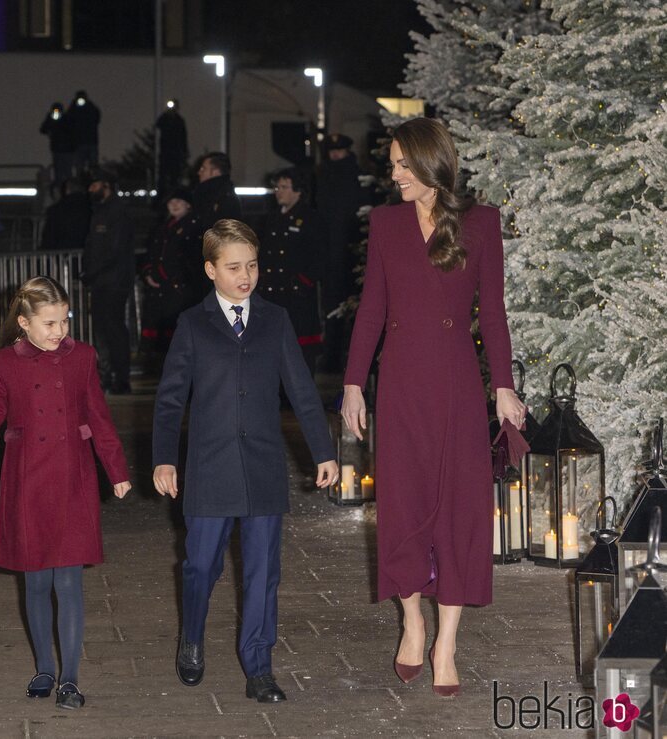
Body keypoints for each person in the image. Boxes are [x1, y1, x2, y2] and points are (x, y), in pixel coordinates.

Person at [340, 117, 524, 697]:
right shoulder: (387, 224)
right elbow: (371, 307)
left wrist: (504, 386)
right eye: (391, 163)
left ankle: (447, 642)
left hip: (457, 385)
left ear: (431, 164)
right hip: (399, 385)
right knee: (403, 504)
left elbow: (491, 311)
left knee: (458, 510)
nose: (392, 175)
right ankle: (412, 621)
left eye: (401, 164)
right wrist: (352, 384)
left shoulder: (480, 222)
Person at [152, 219, 338, 703]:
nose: (245, 276)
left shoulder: (275, 319)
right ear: (211, 270)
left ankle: (259, 666)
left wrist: (323, 451)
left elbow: (300, 389)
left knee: (262, 573)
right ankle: (192, 635)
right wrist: (164, 459)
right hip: (209, 469)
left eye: (252, 265)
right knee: (200, 566)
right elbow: (171, 398)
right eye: (234, 267)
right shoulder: (193, 324)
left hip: (262, 468)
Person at [0, 276, 131, 710]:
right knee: (35, 583)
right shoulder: (6, 362)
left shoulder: (82, 358)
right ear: (24, 323)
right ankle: (45, 668)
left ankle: (69, 677)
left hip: (73, 480)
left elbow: (99, 417)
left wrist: (117, 470)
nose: (58, 331)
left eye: (64, 321)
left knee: (68, 581)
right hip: (28, 481)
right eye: (49, 323)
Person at [260, 167, 328, 377]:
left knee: (300, 347)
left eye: (283, 187)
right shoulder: (270, 219)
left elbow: (320, 254)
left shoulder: (310, 218)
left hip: (296, 293)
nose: (278, 191)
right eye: (277, 187)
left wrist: (303, 280)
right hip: (272, 291)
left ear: (298, 191)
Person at [81, 168, 134, 394]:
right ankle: (109, 375)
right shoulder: (101, 211)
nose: (90, 189)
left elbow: (114, 250)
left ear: (106, 186)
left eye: (95, 185)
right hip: (103, 280)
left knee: (112, 329)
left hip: (113, 280)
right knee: (103, 329)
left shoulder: (116, 212)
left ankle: (120, 377)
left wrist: (92, 272)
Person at [316, 133, 366, 372]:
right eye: (332, 151)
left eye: (339, 151)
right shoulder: (324, 176)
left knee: (352, 308)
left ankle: (345, 358)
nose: (335, 155)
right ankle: (333, 357)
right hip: (332, 253)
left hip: (349, 251)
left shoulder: (353, 176)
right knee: (332, 308)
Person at [139, 187, 201, 371]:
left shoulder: (193, 227)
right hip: (160, 289)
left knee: (176, 329)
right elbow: (152, 254)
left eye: (178, 202)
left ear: (188, 205)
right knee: (159, 329)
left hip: (179, 289)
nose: (174, 205)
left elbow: (191, 259)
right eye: (171, 202)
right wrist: (149, 272)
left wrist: (175, 280)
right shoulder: (163, 228)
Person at [193, 152, 241, 229]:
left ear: (215, 172)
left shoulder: (223, 197)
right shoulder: (208, 193)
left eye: (203, 168)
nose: (199, 172)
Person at [39, 177, 90, 251]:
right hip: (86, 252)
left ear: (67, 190)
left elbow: (50, 236)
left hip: (62, 252)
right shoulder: (91, 206)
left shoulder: (57, 209)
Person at [155, 99, 188, 197]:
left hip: (176, 152)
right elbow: (158, 124)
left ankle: (174, 193)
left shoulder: (179, 120)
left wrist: (184, 152)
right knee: (163, 175)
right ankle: (161, 194)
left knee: (175, 176)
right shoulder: (165, 118)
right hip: (165, 152)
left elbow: (183, 137)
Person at [40, 102, 75, 191]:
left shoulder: (67, 118)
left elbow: (72, 131)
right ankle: (60, 190)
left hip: (67, 150)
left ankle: (69, 190)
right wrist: (50, 121)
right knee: (58, 173)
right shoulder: (51, 118)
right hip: (57, 150)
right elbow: (43, 129)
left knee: (67, 172)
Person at [65, 90, 101, 176]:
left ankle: (93, 181)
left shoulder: (91, 108)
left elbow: (97, 117)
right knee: (79, 166)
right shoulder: (73, 109)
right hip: (79, 143)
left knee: (93, 166)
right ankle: (81, 182)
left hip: (91, 142)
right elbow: (68, 121)